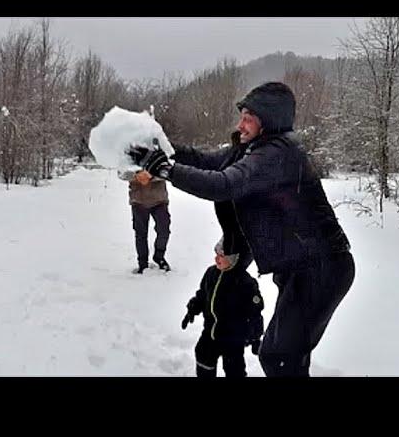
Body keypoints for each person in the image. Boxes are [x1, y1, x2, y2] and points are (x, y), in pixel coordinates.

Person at [128, 82, 355, 377]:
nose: (240, 124)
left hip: (322, 267)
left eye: (248, 117)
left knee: (280, 356)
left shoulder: (278, 153)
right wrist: (161, 150)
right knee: (284, 355)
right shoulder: (252, 149)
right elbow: (204, 161)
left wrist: (166, 170)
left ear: (268, 119)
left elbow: (224, 184)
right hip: (302, 268)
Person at [181, 216, 264, 378]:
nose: (217, 258)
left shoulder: (246, 283)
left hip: (233, 339)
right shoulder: (211, 273)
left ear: (235, 259)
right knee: (203, 358)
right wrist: (193, 308)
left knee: (235, 370)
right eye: (217, 253)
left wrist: (255, 338)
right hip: (210, 333)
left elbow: (254, 313)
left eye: (222, 255)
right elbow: (203, 295)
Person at [117, 168, 171, 274]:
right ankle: (142, 263)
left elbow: (168, 172)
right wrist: (136, 176)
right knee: (140, 234)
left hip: (160, 200)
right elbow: (121, 174)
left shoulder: (160, 152)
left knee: (164, 231)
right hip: (138, 202)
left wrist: (150, 176)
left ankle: (159, 257)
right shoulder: (127, 155)